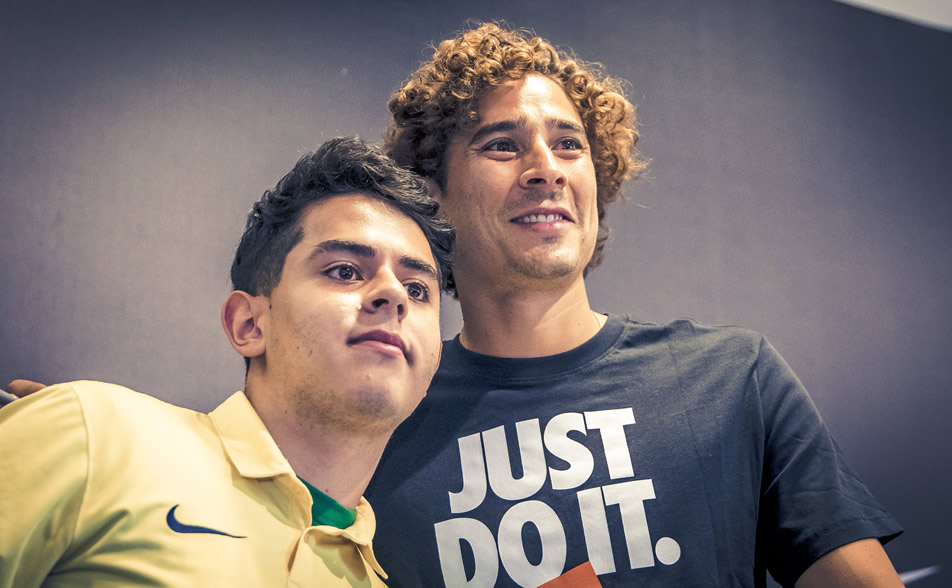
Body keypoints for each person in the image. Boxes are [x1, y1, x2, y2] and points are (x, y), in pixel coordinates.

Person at [364, 22, 903, 587]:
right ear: (430, 195)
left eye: (569, 145)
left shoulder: (732, 379)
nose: (547, 169)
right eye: (503, 144)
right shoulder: (377, 424)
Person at [0, 137, 453, 587]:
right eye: (344, 271)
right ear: (249, 325)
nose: (394, 295)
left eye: (417, 290)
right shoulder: (94, 434)